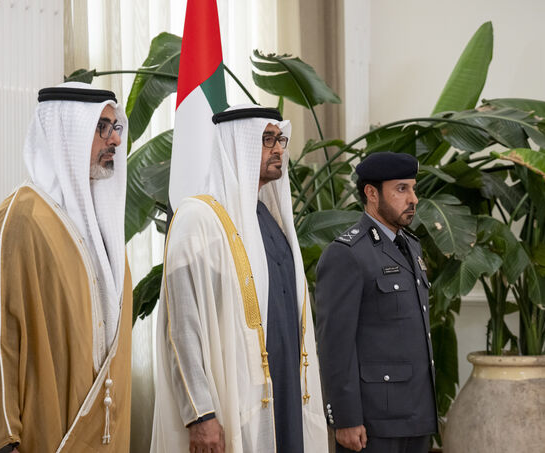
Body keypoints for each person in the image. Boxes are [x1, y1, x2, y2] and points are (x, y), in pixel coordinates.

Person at [0, 82, 133, 452]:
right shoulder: (20, 220)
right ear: (66, 134)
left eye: (116, 127)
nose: (113, 140)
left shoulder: (104, 234)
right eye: (101, 127)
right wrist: (1, 440)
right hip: (42, 437)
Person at [150, 105, 328, 453]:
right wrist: (201, 414)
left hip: (286, 393)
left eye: (280, 139)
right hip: (234, 402)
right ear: (238, 146)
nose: (279, 149)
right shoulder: (198, 220)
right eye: (266, 140)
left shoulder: (268, 217)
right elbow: (181, 329)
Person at [315, 151, 437, 453]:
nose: (413, 199)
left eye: (413, 188)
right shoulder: (347, 253)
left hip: (417, 414)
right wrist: (345, 418)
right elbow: (334, 344)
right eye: (401, 189)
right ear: (371, 193)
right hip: (374, 422)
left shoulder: (411, 245)